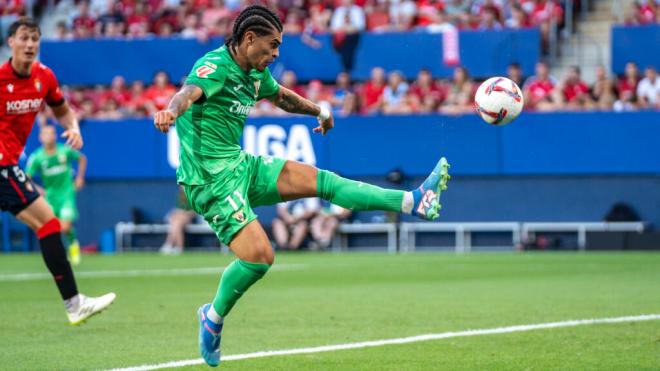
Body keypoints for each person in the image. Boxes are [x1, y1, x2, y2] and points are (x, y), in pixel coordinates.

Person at [152, 5, 450, 367]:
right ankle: (212, 318)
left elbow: (282, 97)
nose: (276, 53)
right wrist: (170, 111)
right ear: (249, 39)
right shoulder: (213, 67)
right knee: (260, 258)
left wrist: (320, 111)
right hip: (208, 180)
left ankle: (413, 201)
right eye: (272, 45)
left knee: (326, 182)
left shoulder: (256, 75)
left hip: (240, 165)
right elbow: (187, 93)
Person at [0, 18, 115, 325]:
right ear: (10, 42)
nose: (30, 44)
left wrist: (74, 128)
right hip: (2, 165)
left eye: (35, 38)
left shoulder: (43, 77)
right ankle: (75, 304)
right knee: (48, 223)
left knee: (48, 224)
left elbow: (62, 109)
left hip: (7, 166)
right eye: (23, 38)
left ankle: (75, 304)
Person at [26, 125, 87, 266]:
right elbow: (26, 177)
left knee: (64, 227)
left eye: (52, 133)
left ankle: (72, 244)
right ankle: (64, 248)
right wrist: (38, 189)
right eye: (46, 133)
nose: (49, 136)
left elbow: (82, 159)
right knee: (52, 228)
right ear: (40, 137)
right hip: (50, 196)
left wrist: (79, 178)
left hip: (66, 194)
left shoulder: (65, 150)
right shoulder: (37, 157)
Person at [159, 186, 198, 255]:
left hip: (190, 219)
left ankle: (170, 244)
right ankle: (177, 247)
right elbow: (179, 209)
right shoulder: (180, 196)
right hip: (181, 218)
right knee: (176, 223)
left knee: (177, 222)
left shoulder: (194, 195)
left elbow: (195, 212)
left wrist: (184, 213)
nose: (182, 188)